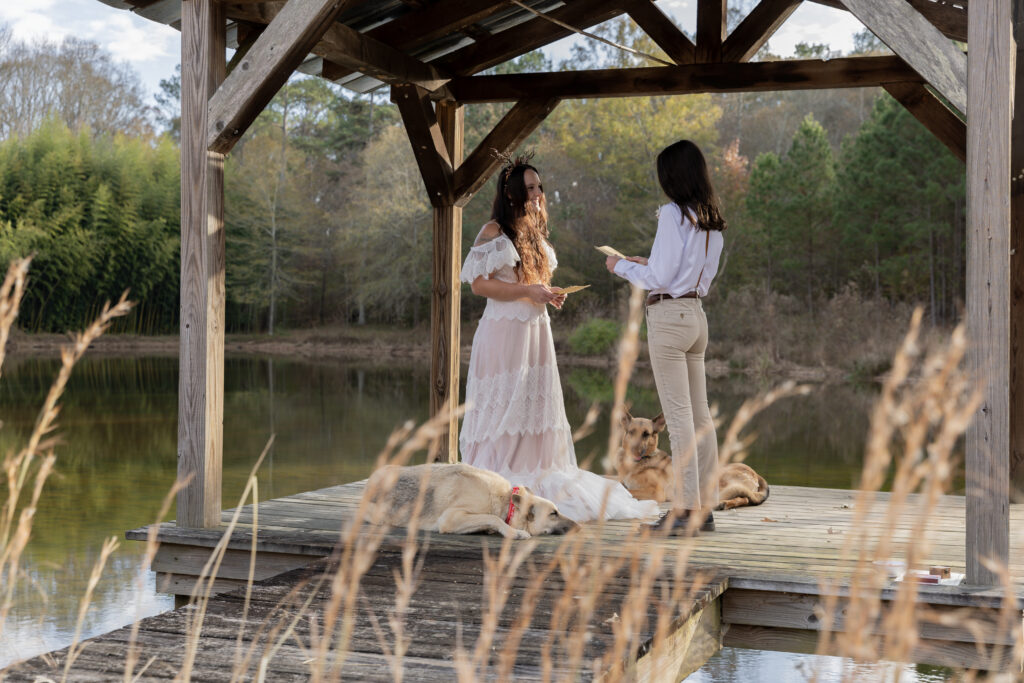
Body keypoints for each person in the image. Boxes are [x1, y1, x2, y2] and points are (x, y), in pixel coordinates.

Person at [458, 155, 659, 523]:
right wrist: (527, 292)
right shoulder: (494, 231)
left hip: (535, 330)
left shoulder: (534, 233)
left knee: (534, 408)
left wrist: (548, 293)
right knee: (503, 406)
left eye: (539, 187)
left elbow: (530, 284)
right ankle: (496, 481)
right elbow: (479, 285)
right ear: (512, 193)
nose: (537, 194)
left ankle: (536, 473)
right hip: (504, 332)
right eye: (529, 188)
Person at [606, 140, 726, 536]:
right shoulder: (711, 221)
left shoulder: (672, 214)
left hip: (670, 321)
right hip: (696, 317)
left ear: (672, 176)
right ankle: (703, 508)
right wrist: (646, 262)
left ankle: (682, 511)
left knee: (679, 422)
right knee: (701, 418)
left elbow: (658, 280)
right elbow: (688, 275)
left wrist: (621, 266)